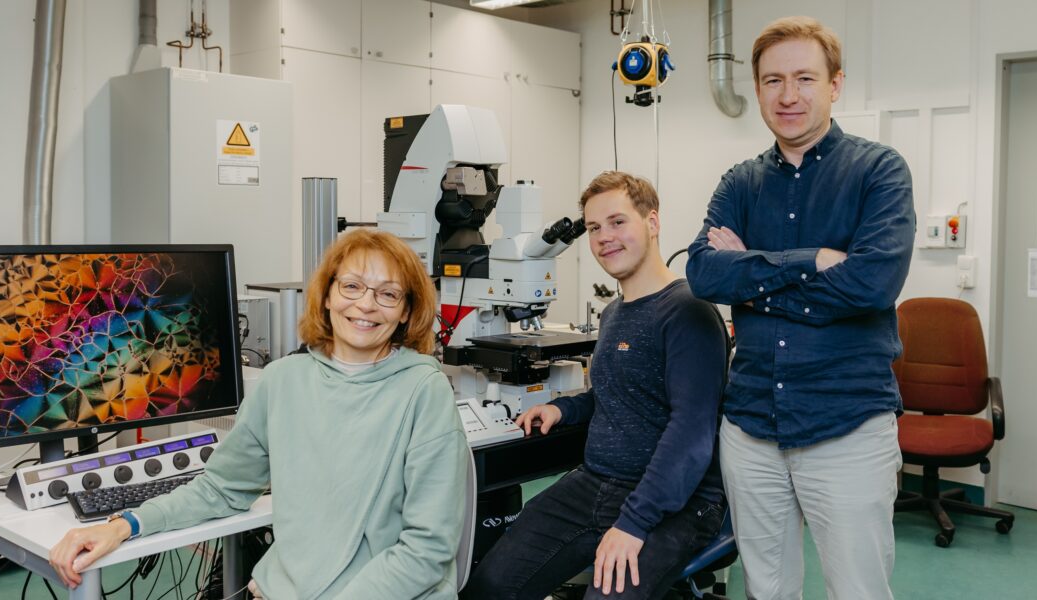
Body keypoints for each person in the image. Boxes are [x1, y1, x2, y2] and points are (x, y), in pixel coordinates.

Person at [49, 229, 469, 599]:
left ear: (406, 312)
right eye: (353, 286)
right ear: (326, 296)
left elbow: (427, 549)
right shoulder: (282, 380)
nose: (366, 305)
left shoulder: (423, 390)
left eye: (388, 294)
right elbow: (221, 488)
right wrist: (125, 524)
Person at [685, 15, 916, 600]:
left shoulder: (878, 171)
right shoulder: (740, 182)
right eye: (772, 81)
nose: (788, 96)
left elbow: (870, 286)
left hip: (846, 426)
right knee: (766, 589)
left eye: (805, 78)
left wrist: (752, 273)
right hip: (751, 426)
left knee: (858, 591)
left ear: (835, 85)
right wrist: (811, 260)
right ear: (757, 88)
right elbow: (703, 273)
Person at [465, 171, 728, 600]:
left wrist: (634, 523)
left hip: (675, 502)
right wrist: (561, 409)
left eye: (618, 222)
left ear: (653, 222)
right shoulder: (614, 313)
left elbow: (691, 434)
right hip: (596, 483)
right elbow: (613, 393)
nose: (605, 237)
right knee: (491, 586)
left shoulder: (688, 312)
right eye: (593, 228)